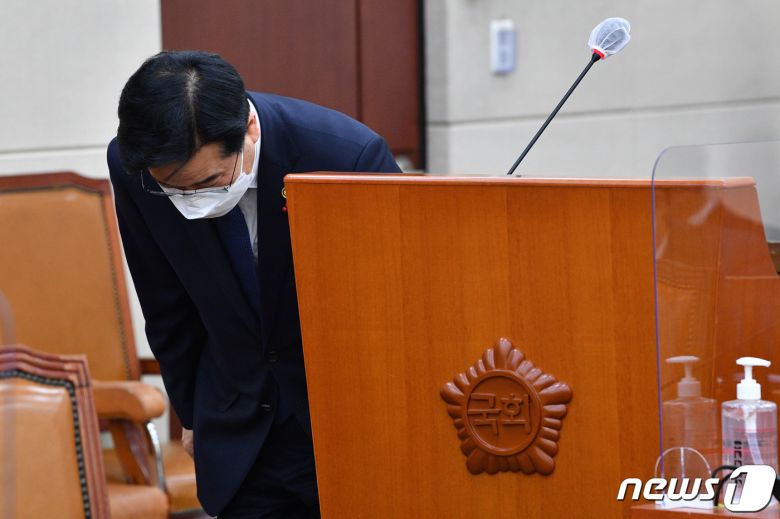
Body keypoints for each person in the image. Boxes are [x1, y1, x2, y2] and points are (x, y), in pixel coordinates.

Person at [107, 50, 401, 518]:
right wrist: (191, 414)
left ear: (248, 130)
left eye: (206, 182)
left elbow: (399, 302)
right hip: (239, 432)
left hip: (348, 426)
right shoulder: (135, 166)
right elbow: (164, 302)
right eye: (172, 190)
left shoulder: (344, 155)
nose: (190, 201)